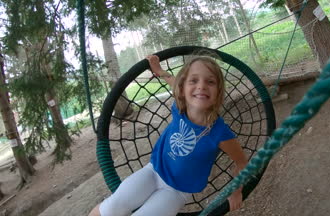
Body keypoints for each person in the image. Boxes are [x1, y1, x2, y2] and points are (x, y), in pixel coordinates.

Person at [89, 54, 248, 216]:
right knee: (112, 207)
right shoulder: (181, 108)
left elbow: (242, 162)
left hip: (176, 192)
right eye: (194, 80)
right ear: (183, 90)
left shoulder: (220, 133)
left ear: (219, 91)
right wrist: (159, 71)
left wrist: (236, 191)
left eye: (210, 82)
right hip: (153, 171)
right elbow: (174, 82)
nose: (201, 86)